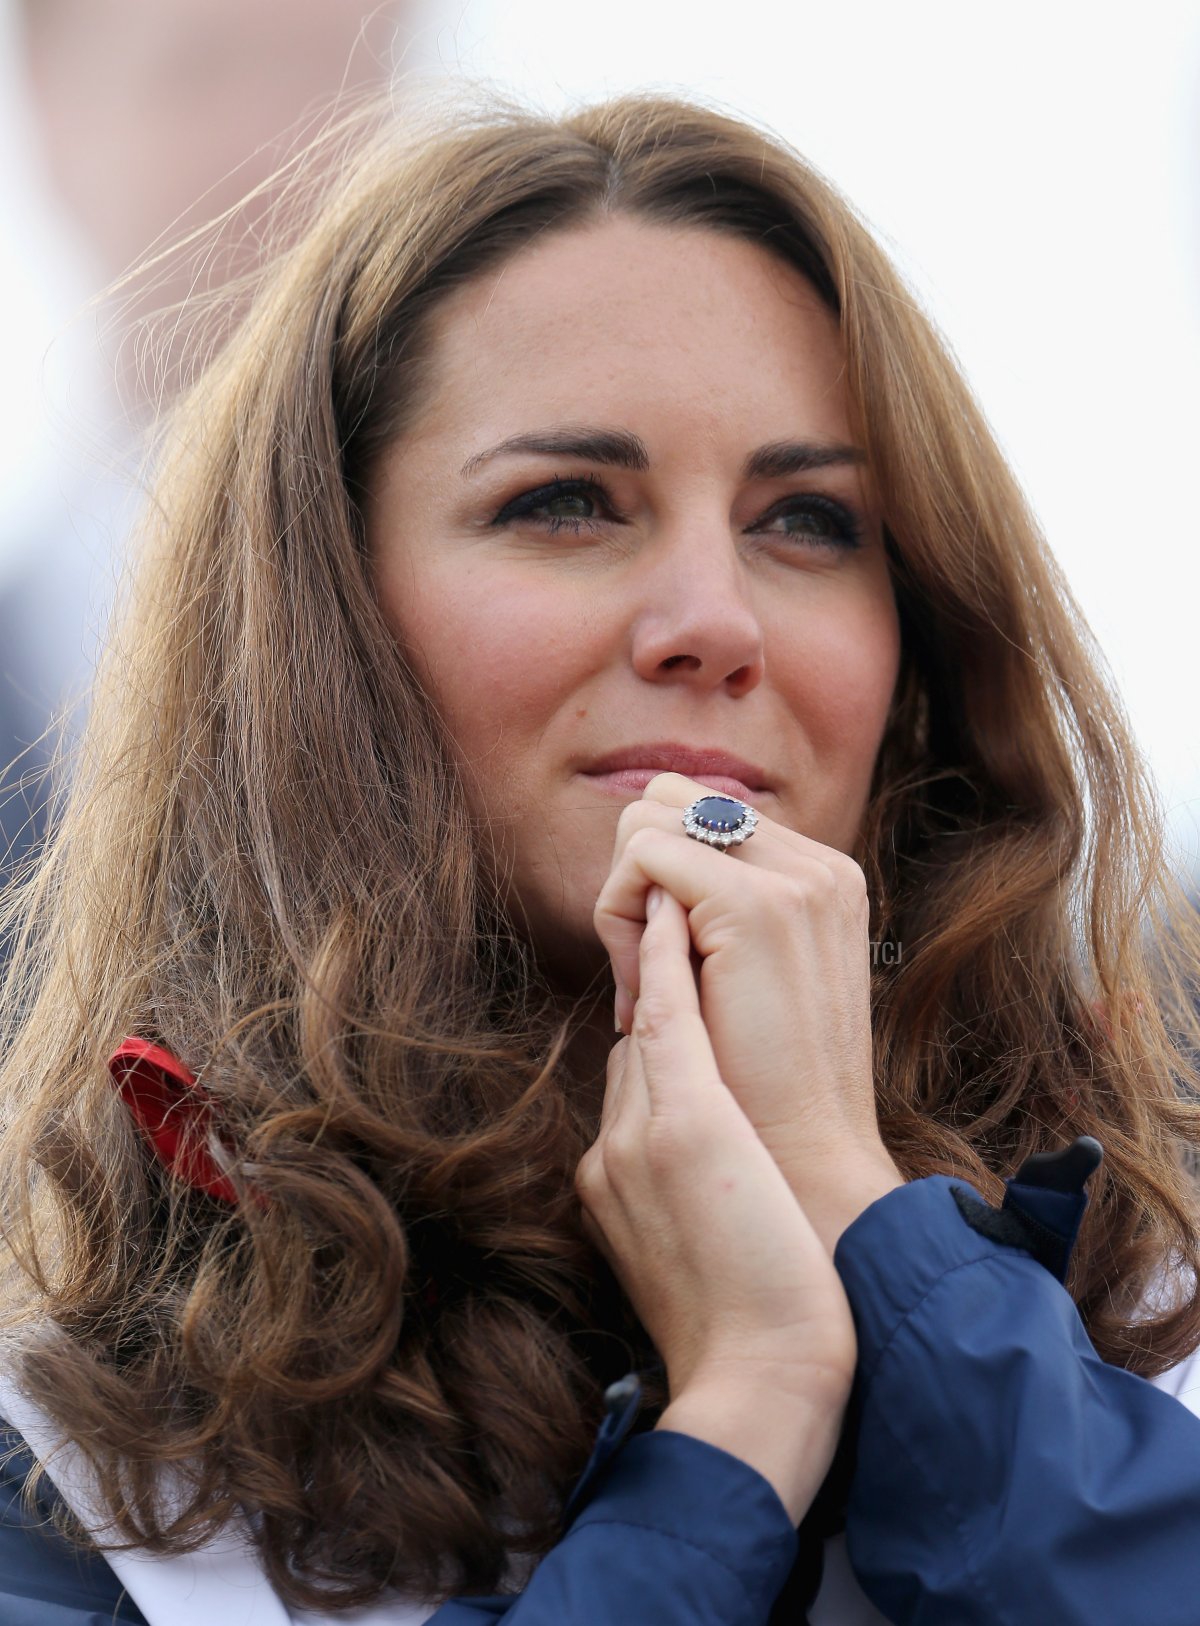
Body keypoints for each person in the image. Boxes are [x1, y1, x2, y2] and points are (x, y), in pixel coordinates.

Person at [0, 81, 1198, 1626]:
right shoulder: (72, 1475)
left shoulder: (1150, 1298)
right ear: (323, 623)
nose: (712, 619)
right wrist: (741, 1418)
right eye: (566, 504)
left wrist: (873, 1232)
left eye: (811, 521)